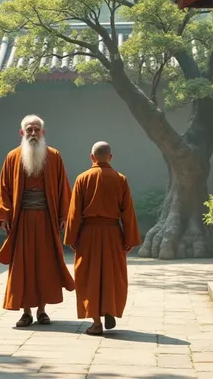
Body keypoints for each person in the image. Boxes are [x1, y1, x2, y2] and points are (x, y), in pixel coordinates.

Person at [0, 114, 76, 327]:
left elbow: (64, 188)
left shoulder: (54, 156)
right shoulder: (12, 157)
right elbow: (4, 189)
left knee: (45, 265)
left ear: (43, 132)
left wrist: (64, 216)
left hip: (47, 220)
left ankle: (42, 311)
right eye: (29, 129)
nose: (33, 133)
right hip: (22, 221)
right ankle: (26, 312)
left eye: (37, 129)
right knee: (23, 266)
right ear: (22, 132)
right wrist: (4, 217)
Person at [63, 141, 141, 336]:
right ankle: (108, 309)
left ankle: (96, 322)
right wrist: (130, 239)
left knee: (88, 276)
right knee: (112, 275)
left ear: (92, 157)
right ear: (110, 157)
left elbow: (74, 212)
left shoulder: (82, 178)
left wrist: (71, 236)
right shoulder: (120, 179)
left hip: (88, 234)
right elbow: (128, 212)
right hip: (113, 234)